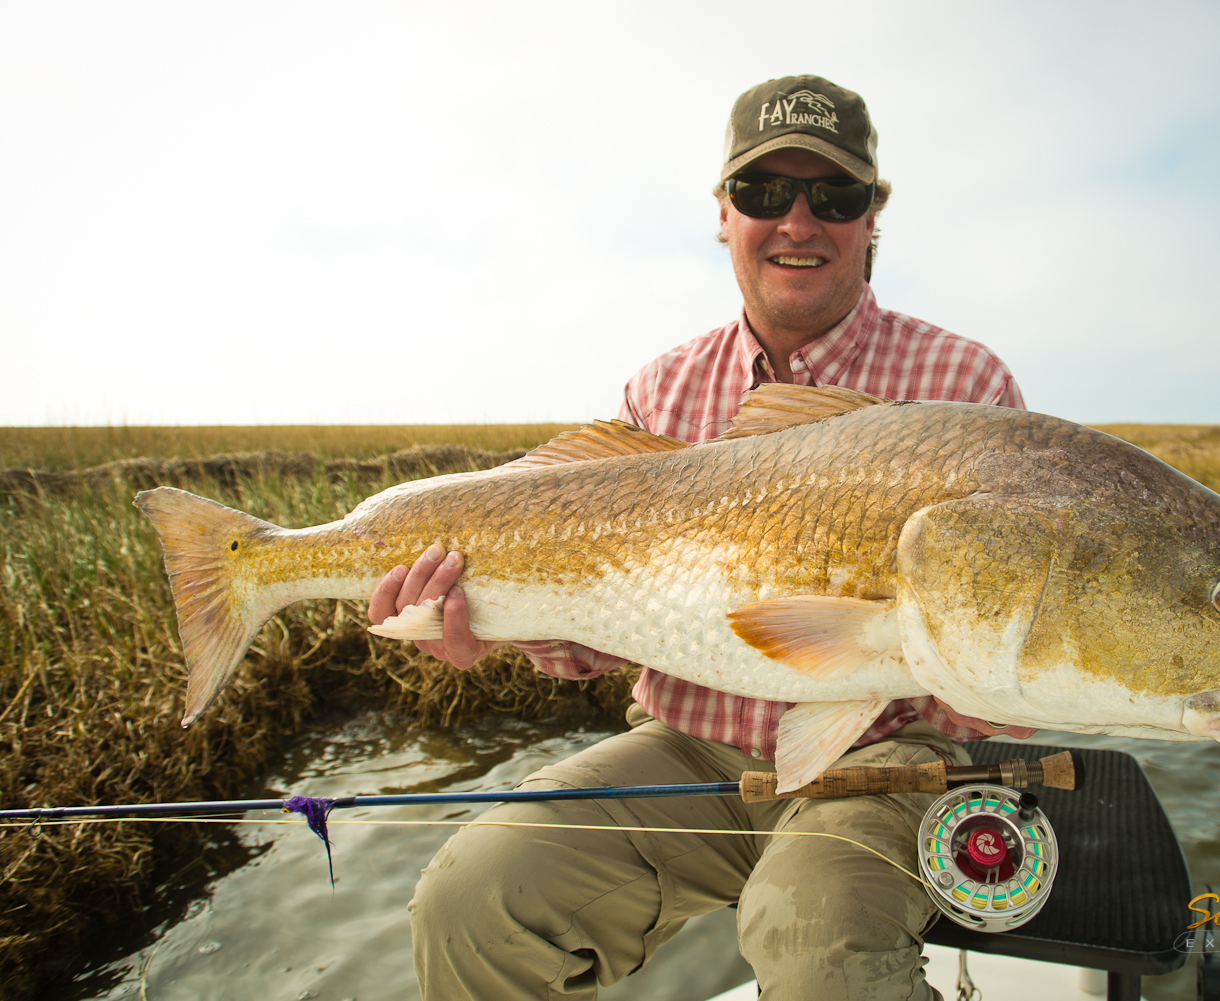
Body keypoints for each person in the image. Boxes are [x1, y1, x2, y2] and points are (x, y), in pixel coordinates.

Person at [369, 74, 1028, 1001]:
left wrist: (1005, 681)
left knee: (813, 938)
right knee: (474, 895)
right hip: (691, 746)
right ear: (723, 213)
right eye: (764, 193)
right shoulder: (662, 390)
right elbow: (597, 629)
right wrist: (484, 620)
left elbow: (1009, 661)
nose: (797, 220)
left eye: (833, 195)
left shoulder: (965, 382)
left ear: (874, 216)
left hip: (889, 757)